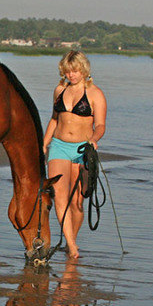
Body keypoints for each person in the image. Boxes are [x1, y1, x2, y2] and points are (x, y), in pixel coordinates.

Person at [43, 51, 107, 259]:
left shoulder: (95, 93)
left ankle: (72, 238)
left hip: (82, 150)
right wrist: (45, 143)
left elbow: (100, 124)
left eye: (76, 70)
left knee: (77, 202)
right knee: (59, 197)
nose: (72, 75)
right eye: (68, 71)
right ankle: (72, 247)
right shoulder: (59, 90)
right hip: (59, 146)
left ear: (84, 70)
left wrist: (94, 140)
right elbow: (54, 119)